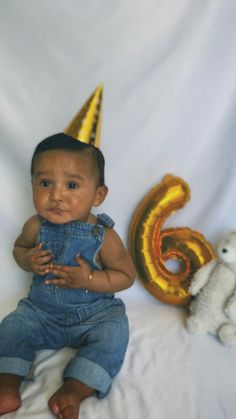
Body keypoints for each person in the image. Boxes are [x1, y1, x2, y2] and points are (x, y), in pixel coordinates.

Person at [0, 133, 136, 419]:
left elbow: (126, 276)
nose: (57, 195)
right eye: (46, 183)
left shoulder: (104, 236)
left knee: (115, 335)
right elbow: (18, 249)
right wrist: (28, 259)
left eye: (72, 185)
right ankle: (7, 383)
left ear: (98, 195)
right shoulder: (35, 226)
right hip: (41, 311)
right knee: (12, 328)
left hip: (93, 314)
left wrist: (88, 279)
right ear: (33, 184)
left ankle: (75, 387)